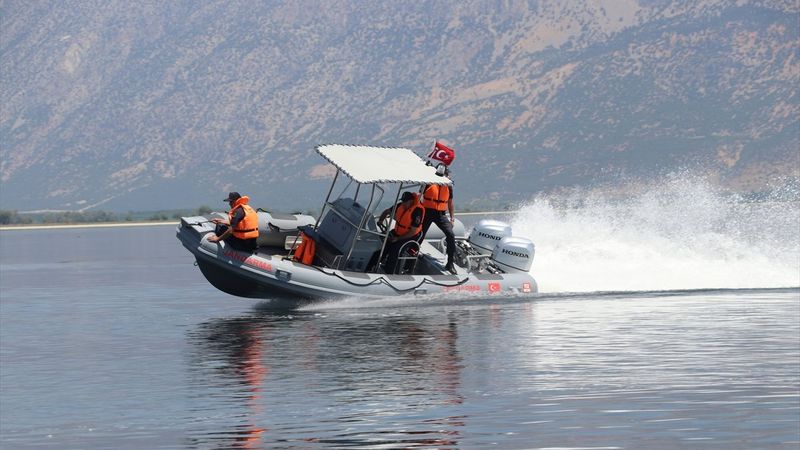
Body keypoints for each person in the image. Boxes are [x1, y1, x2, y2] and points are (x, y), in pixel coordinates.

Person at [370, 191, 425, 273]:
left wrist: (398, 239)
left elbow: (413, 231)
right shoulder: (400, 205)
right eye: (402, 201)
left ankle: (390, 272)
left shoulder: (417, 211)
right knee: (382, 244)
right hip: (397, 232)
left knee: (395, 250)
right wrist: (380, 220)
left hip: (411, 236)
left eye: (405, 202)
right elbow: (387, 211)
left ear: (411, 201)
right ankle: (371, 266)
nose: (403, 203)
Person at [421, 166, 457, 274]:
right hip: (427, 211)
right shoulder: (428, 182)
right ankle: (411, 256)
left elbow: (450, 202)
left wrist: (452, 218)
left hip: (440, 214)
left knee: (451, 235)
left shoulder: (448, 185)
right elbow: (419, 196)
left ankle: (450, 263)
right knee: (419, 234)